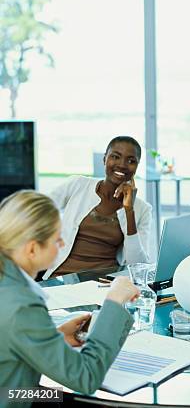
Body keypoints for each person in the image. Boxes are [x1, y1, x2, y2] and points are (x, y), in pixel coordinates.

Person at [0, 190, 140, 405]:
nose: (63, 245)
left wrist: (55, 337)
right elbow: (85, 377)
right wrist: (114, 301)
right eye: (57, 240)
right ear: (32, 249)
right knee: (64, 399)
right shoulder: (22, 306)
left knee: (58, 397)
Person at [43, 135, 152, 279]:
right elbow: (38, 210)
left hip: (104, 283)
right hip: (63, 277)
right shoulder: (78, 184)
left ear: (137, 167)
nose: (122, 164)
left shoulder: (142, 209)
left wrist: (129, 211)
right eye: (115, 156)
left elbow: (138, 266)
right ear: (104, 159)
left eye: (131, 161)